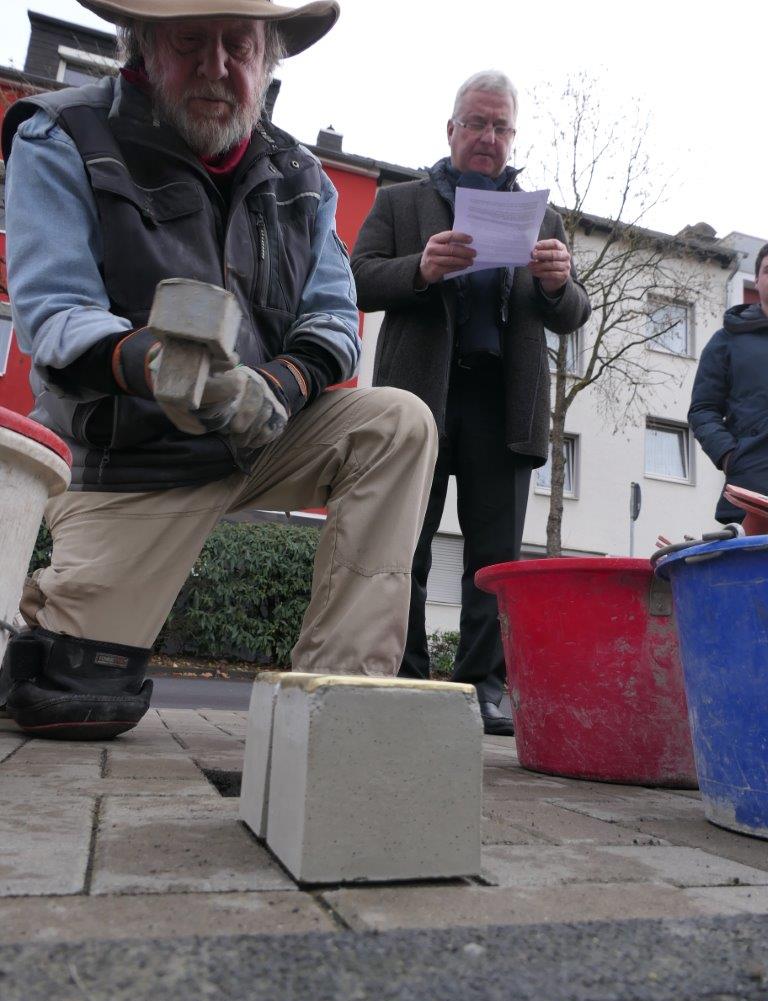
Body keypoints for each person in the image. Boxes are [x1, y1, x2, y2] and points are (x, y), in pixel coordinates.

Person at [0, 0, 437, 741]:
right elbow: (53, 313)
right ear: (139, 47)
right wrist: (158, 363)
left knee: (397, 423)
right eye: (190, 41)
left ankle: (336, 703)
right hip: (131, 458)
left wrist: (278, 386)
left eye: (239, 45)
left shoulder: (303, 175)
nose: (216, 66)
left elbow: (334, 317)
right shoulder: (62, 133)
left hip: (263, 435)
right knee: (71, 697)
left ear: (268, 59)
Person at [351, 71, 591, 735]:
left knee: (494, 558)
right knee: (409, 545)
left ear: (513, 136)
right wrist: (420, 270)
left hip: (501, 402)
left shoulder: (540, 215)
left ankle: (483, 686)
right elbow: (356, 278)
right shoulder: (401, 202)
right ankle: (404, 677)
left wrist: (556, 284)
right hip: (420, 398)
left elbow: (574, 313)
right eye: (477, 123)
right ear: (450, 129)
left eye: (501, 127)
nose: (489, 137)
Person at [689, 243, 768, 523]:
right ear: (756, 279)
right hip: (750, 497)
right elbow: (703, 410)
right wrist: (730, 456)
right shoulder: (726, 341)